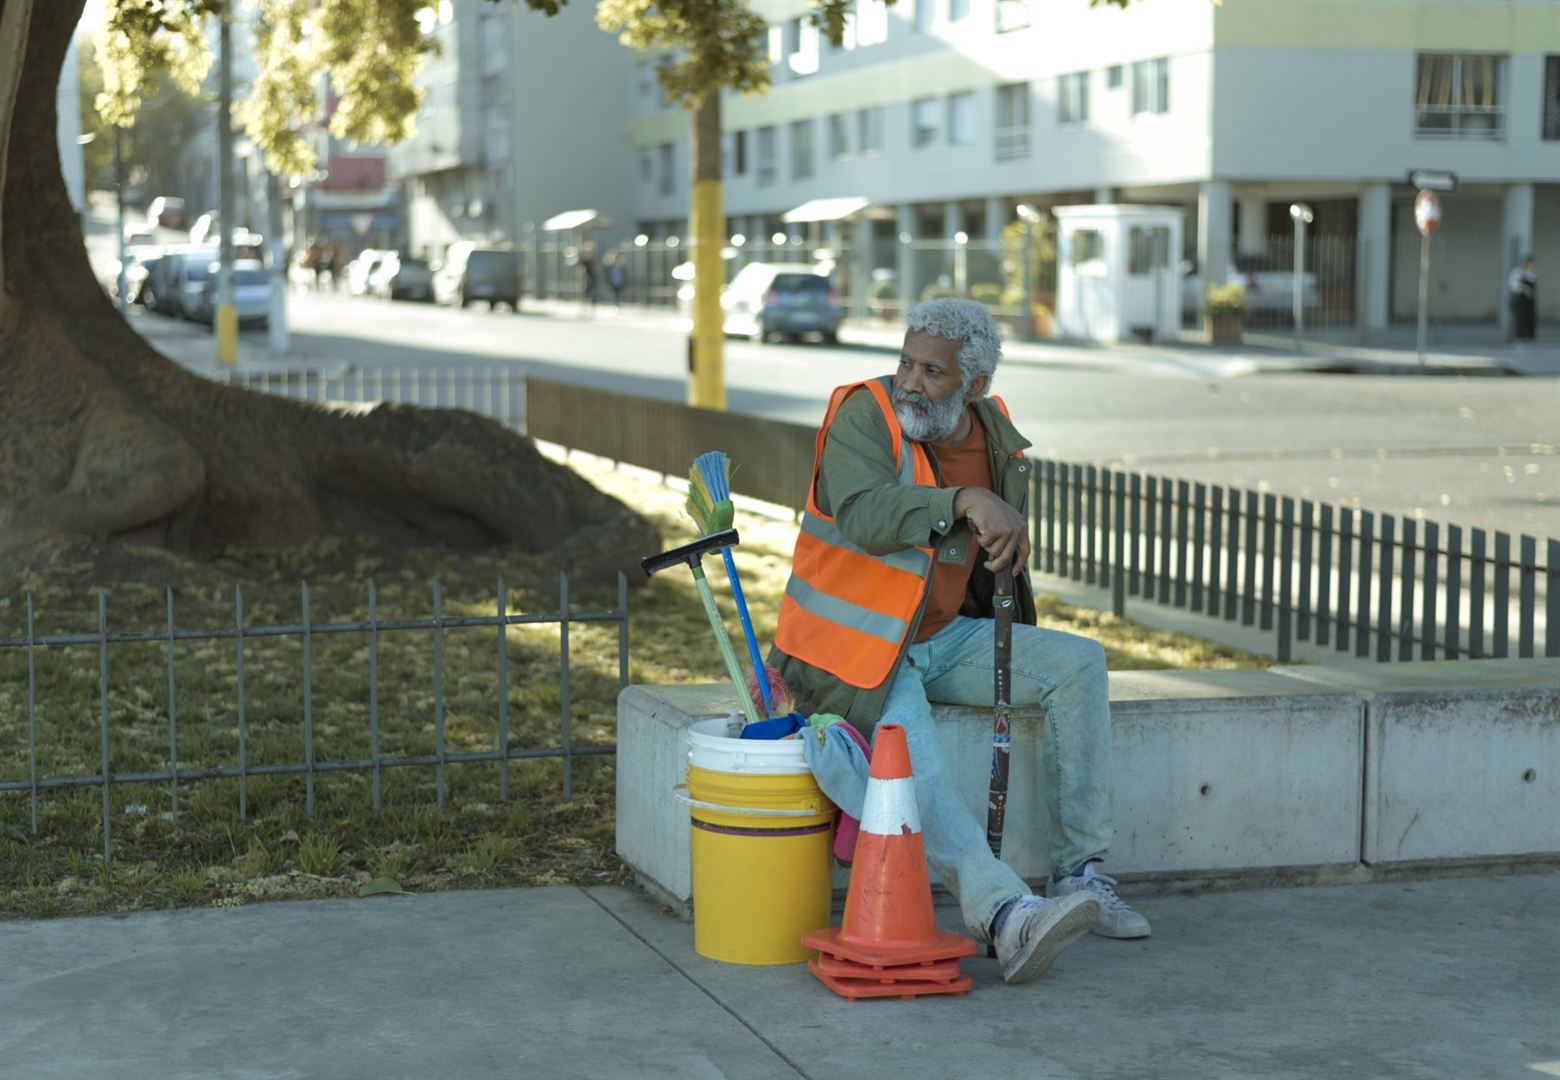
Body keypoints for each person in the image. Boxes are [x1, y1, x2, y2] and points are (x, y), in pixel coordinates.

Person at [771, 297, 1149, 987]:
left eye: (933, 372)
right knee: (912, 758)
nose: (910, 381)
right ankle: (1006, 915)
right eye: (906, 363)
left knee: (1078, 664)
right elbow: (863, 512)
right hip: (854, 648)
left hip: (943, 635)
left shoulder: (993, 431)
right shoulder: (865, 413)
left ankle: (1081, 876)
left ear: (973, 385)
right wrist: (962, 502)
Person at [1508, 255, 1537, 342]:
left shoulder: (1532, 274)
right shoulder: (1517, 272)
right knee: (1519, 318)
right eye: (1528, 264)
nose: (1530, 266)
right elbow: (1512, 285)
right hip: (1520, 299)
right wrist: (1523, 289)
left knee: (1529, 318)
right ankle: (1519, 336)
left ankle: (1529, 336)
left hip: (1530, 301)